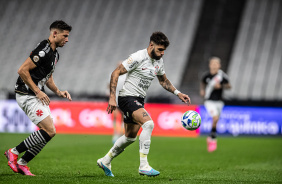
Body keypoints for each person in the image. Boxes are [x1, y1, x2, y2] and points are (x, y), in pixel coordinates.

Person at [97, 32, 191, 177]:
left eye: (164, 50)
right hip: (127, 97)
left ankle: (105, 160)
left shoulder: (159, 61)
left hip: (139, 99)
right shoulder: (138, 57)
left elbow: (163, 81)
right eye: (160, 49)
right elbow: (115, 73)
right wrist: (112, 98)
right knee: (148, 124)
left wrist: (178, 93)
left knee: (130, 137)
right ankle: (143, 165)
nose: (162, 53)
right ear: (151, 45)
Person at [4, 20, 72, 176]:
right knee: (49, 130)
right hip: (27, 93)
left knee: (48, 132)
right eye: (65, 36)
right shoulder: (43, 50)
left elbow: (48, 78)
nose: (67, 39)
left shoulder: (55, 54)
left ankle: (22, 163)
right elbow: (22, 70)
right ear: (55, 33)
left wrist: (58, 91)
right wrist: (37, 91)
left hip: (35, 94)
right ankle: (13, 152)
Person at [200, 57, 231, 152]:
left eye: (216, 63)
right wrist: (202, 90)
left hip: (219, 102)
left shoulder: (222, 76)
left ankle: (210, 136)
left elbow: (229, 86)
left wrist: (221, 86)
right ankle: (213, 139)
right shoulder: (206, 76)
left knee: (215, 121)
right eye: (212, 63)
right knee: (215, 118)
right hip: (209, 101)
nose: (214, 65)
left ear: (219, 65)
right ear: (210, 65)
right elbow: (202, 83)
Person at [107, 61, 126, 144]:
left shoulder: (126, 75)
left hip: (124, 98)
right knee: (115, 116)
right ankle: (115, 133)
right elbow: (109, 85)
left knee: (123, 117)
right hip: (115, 98)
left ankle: (121, 134)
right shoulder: (113, 74)